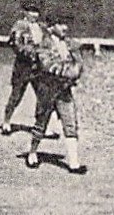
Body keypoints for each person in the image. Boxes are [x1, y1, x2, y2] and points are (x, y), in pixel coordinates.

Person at [28, 13, 86, 173]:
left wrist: (75, 69)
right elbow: (49, 67)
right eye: (61, 24)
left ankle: (74, 163)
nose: (65, 28)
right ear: (52, 27)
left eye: (66, 24)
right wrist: (71, 72)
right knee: (41, 123)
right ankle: (32, 152)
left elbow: (79, 65)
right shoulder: (43, 44)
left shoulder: (70, 44)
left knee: (70, 124)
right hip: (47, 90)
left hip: (64, 90)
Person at [0, 0, 47, 135]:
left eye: (36, 11)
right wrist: (29, 52)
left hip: (39, 66)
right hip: (23, 65)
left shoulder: (41, 27)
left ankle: (41, 124)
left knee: (42, 96)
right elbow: (14, 43)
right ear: (25, 12)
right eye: (31, 11)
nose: (35, 14)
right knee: (16, 94)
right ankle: (6, 121)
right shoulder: (19, 25)